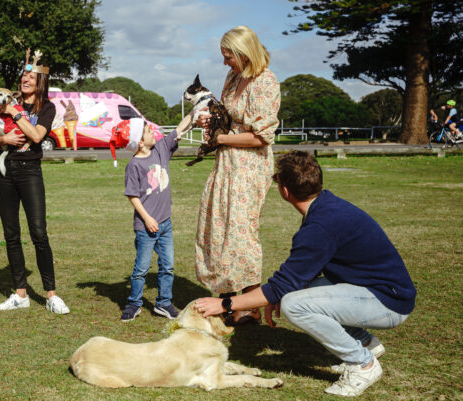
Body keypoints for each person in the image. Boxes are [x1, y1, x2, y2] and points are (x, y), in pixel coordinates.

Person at [194, 151, 417, 397]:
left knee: (294, 305)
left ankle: (362, 364)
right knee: (294, 294)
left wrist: (224, 304)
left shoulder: (319, 225)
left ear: (284, 190)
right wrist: (275, 295)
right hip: (378, 291)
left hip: (389, 302)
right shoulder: (325, 205)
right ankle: (366, 344)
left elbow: (281, 287)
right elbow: (293, 278)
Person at [194, 25, 280, 325]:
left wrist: (220, 139)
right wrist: (211, 120)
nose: (224, 62)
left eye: (228, 56)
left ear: (245, 54)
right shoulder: (233, 77)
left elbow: (261, 137)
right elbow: (231, 117)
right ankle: (226, 299)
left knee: (241, 232)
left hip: (250, 165)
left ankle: (250, 305)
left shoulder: (266, 82)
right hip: (227, 161)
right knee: (217, 227)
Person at [0, 49, 69, 314]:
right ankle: (20, 294)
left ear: (40, 81)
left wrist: (14, 112)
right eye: (23, 75)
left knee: (39, 233)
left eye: (31, 76)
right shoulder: (5, 100)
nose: (25, 79)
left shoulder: (46, 107)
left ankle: (51, 295)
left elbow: (36, 136)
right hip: (4, 172)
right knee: (11, 235)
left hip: (30, 171)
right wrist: (2, 139)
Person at [114, 116, 191, 322]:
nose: (153, 133)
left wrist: (196, 111)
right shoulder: (134, 165)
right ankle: (134, 303)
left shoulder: (160, 149)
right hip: (145, 227)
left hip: (165, 223)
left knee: (168, 266)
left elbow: (179, 129)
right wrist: (147, 219)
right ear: (140, 142)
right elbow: (133, 195)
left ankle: (163, 303)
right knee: (141, 269)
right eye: (149, 132)